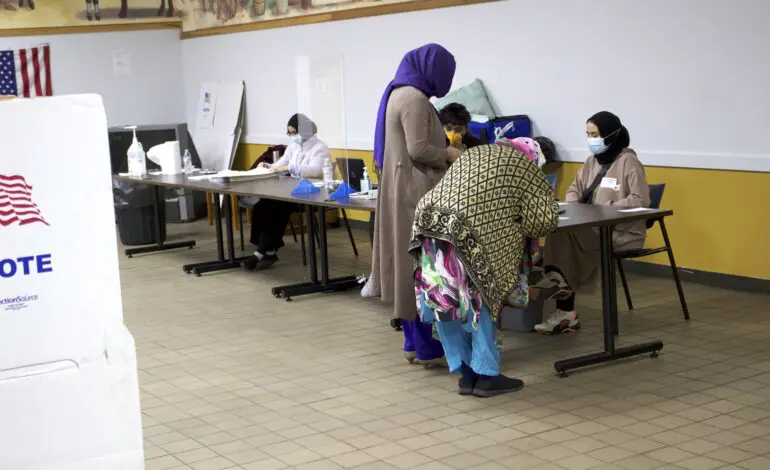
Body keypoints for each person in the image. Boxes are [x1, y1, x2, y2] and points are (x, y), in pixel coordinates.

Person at [411, 141, 559, 397]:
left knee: (445, 301)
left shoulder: (476, 153)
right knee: (482, 303)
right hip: (470, 234)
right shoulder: (527, 167)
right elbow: (542, 222)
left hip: (429, 223)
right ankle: (487, 376)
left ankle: (467, 375)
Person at [365, 43, 462, 366]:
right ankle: (425, 345)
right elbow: (419, 148)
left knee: (407, 265)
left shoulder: (399, 92)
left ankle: (412, 342)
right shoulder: (415, 99)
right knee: (421, 267)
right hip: (415, 193)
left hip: (401, 188)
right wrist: (449, 154)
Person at [533, 111, 650, 334]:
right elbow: (574, 190)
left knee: (567, 236)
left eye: (595, 134)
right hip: (590, 227)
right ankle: (559, 287)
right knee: (559, 230)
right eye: (587, 134)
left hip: (620, 233)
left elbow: (640, 200)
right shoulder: (591, 162)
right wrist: (574, 206)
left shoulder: (629, 163)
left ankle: (558, 288)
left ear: (611, 135)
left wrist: (602, 210)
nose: (591, 140)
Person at [242, 113, 329, 271]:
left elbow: (315, 170)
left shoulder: (319, 148)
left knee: (277, 207)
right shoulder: (294, 146)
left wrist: (289, 168)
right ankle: (264, 249)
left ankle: (263, 252)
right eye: (289, 133)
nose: (291, 136)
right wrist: (268, 166)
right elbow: (281, 164)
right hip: (290, 190)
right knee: (262, 206)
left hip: (309, 193)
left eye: (293, 132)